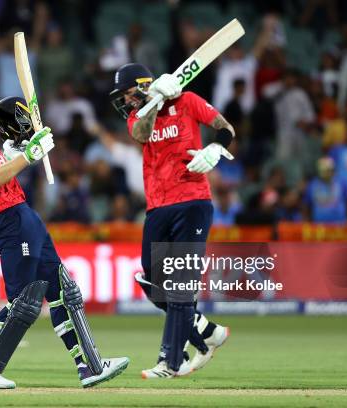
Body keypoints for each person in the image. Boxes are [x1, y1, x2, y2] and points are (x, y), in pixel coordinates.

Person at [0, 83, 128, 389]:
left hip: (22, 215)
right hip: (8, 220)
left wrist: (17, 151)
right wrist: (28, 155)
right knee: (24, 302)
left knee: (64, 293)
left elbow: (1, 172)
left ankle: (90, 366)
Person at [110, 63, 231, 379]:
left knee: (180, 283)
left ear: (140, 85)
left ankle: (170, 361)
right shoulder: (139, 116)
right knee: (150, 278)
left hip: (193, 201)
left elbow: (225, 128)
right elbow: (140, 134)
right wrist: (153, 101)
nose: (125, 102)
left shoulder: (188, 101)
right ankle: (204, 331)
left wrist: (217, 149)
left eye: (126, 94)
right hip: (158, 206)